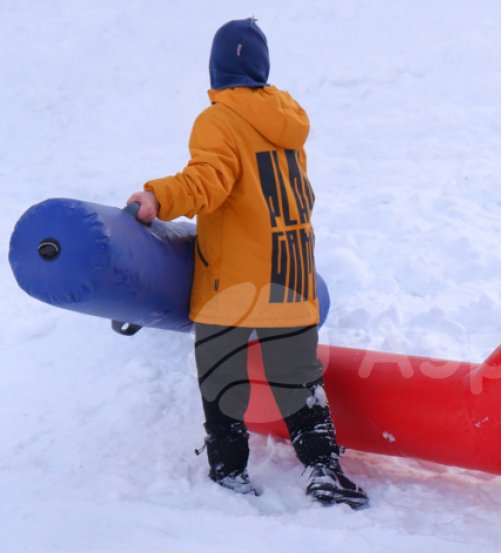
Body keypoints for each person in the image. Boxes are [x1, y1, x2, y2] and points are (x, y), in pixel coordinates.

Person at [127, 18, 368, 509]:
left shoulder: (218, 119)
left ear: (217, 72)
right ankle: (324, 471)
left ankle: (228, 472)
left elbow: (207, 180)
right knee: (299, 385)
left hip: (232, 283)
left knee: (221, 380)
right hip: (293, 277)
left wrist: (158, 196)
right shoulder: (288, 123)